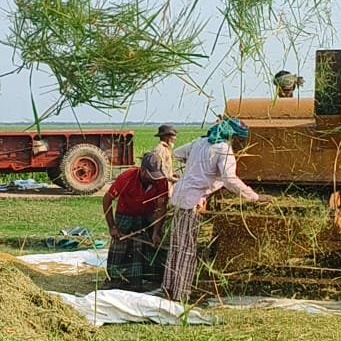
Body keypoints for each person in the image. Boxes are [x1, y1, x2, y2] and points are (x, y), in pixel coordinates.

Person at [162, 117, 270, 303]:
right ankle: (181, 296)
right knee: (188, 249)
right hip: (192, 202)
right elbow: (230, 180)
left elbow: (178, 153)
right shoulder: (224, 149)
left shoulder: (199, 142)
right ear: (231, 136)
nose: (238, 143)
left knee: (176, 247)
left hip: (180, 197)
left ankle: (169, 290)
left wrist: (196, 168)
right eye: (238, 139)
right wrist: (255, 197)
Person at [102, 152, 171, 290]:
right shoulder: (127, 178)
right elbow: (107, 199)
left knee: (148, 247)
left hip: (147, 216)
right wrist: (112, 227)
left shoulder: (161, 181)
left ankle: (146, 278)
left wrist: (156, 232)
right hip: (125, 215)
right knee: (120, 248)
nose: (155, 179)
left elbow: (162, 206)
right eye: (152, 176)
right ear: (143, 171)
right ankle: (116, 279)